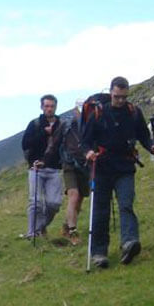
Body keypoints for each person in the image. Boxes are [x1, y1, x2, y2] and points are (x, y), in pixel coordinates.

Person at [81, 76, 154, 268]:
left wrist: (152, 148)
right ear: (111, 93)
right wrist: (89, 152)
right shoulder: (99, 113)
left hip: (125, 166)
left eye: (124, 97)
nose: (120, 101)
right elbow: (84, 141)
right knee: (100, 211)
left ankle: (129, 243)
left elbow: (144, 135)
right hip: (101, 168)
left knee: (126, 204)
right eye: (117, 96)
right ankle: (99, 253)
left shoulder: (133, 112)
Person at [20, 94, 64, 239]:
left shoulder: (61, 124)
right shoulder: (35, 124)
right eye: (46, 106)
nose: (49, 109)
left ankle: (40, 227)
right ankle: (32, 233)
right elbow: (25, 144)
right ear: (42, 107)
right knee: (35, 202)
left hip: (55, 168)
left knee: (54, 203)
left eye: (52, 106)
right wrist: (43, 133)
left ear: (56, 107)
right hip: (35, 168)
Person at [58, 100, 90, 245]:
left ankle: (66, 226)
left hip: (84, 165)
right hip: (69, 164)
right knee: (74, 195)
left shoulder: (90, 125)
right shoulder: (67, 126)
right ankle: (73, 232)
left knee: (80, 199)